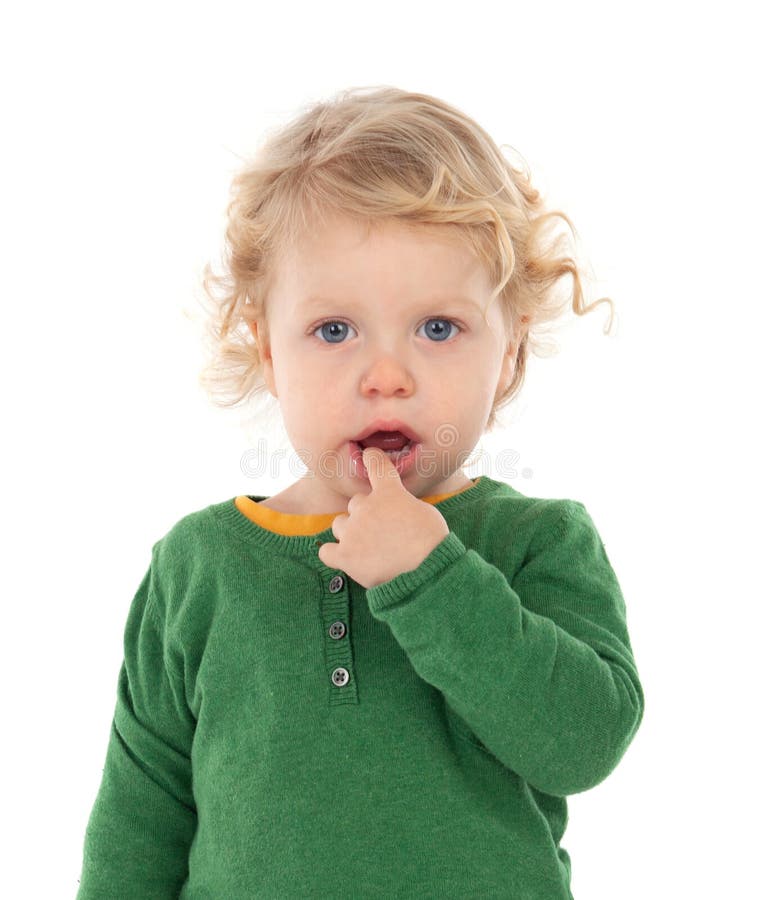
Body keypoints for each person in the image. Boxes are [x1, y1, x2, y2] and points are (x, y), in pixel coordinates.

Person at [76, 85, 644, 898]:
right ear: (269, 351)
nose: (387, 377)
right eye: (334, 331)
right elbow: (137, 825)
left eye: (438, 329)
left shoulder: (538, 543)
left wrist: (432, 575)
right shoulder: (197, 566)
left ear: (510, 355)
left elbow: (585, 743)